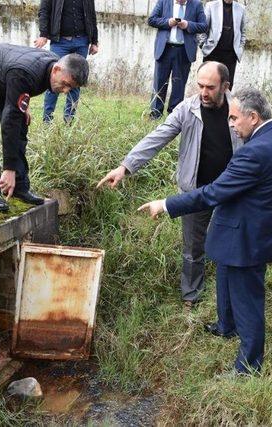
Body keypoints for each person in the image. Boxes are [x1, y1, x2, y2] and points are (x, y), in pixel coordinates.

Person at [138, 88, 272, 374]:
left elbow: (212, 194)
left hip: (248, 237)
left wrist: (165, 204)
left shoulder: (253, 152)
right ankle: (226, 325)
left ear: (253, 117)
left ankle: (249, 365)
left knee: (247, 298)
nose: (231, 124)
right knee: (225, 276)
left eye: (235, 118)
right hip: (260, 228)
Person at [97, 62, 242, 309]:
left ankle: (230, 295)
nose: (203, 93)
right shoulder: (188, 109)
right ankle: (191, 295)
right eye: (200, 86)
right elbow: (157, 137)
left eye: (210, 87)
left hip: (231, 191)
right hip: (195, 191)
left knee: (232, 243)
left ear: (225, 86)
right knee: (193, 248)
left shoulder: (239, 109)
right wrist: (125, 167)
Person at [0, 44, 89, 212]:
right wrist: (8, 169)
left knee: (22, 122)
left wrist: (23, 105)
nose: (66, 91)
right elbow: (10, 119)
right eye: (65, 84)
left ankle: (20, 187)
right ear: (56, 70)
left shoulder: (48, 68)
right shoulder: (26, 72)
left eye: (71, 88)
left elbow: (20, 85)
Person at [35, 0, 98, 122]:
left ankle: (69, 120)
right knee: (53, 80)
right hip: (60, 42)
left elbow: (92, 15)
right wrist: (43, 34)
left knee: (75, 81)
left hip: (82, 42)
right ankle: (47, 121)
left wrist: (94, 41)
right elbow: (44, 11)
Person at [147, 0, 207, 119]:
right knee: (159, 83)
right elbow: (151, 20)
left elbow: (204, 25)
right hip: (164, 49)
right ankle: (155, 114)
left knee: (179, 85)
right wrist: (167, 22)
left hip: (183, 51)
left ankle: (174, 116)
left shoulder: (196, 5)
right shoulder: (164, 2)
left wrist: (188, 25)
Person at [200, 0, 245, 89]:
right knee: (208, 83)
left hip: (231, 55)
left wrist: (240, 48)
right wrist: (202, 45)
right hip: (212, 53)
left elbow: (243, 32)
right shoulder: (211, 6)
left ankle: (225, 103)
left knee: (226, 86)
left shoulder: (241, 9)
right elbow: (203, 28)